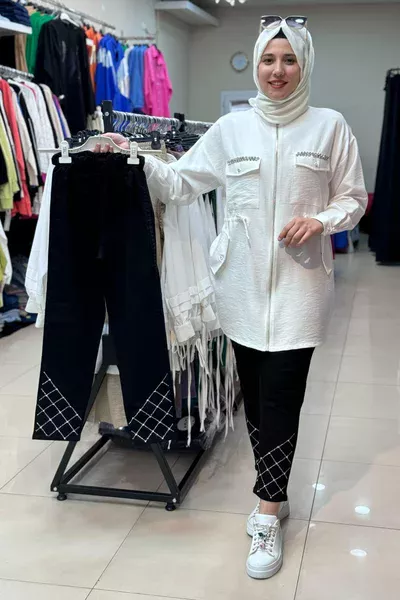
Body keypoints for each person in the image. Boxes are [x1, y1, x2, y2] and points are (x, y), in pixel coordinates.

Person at [97, 16, 367, 581]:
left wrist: (321, 220)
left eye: (289, 60)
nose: (277, 70)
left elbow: (353, 198)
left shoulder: (330, 127)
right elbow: (180, 183)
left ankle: (266, 512)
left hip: (300, 290)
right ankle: (275, 494)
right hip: (240, 290)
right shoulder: (231, 129)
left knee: (282, 400)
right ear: (257, 64)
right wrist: (134, 156)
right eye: (268, 59)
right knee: (257, 400)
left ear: (304, 66)